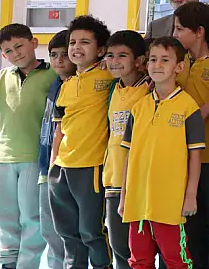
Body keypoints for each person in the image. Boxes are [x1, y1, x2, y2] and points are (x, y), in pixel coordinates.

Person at [0, 23, 56, 269]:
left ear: (34, 43)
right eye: (8, 51)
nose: (15, 53)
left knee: (31, 218)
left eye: (19, 46)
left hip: (34, 157)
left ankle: (27, 265)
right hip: (4, 156)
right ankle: (7, 262)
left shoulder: (52, 74)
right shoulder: (4, 76)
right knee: (4, 216)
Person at [119, 37, 205, 269]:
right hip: (138, 202)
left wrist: (190, 196)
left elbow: (195, 157)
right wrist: (124, 195)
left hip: (170, 203)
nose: (157, 65)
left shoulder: (188, 107)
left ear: (179, 67)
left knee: (177, 260)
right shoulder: (138, 108)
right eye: (153, 59)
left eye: (165, 60)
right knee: (139, 260)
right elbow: (128, 156)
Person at [50, 15, 115, 269]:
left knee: (91, 232)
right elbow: (60, 128)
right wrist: (54, 164)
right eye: (73, 42)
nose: (76, 47)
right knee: (67, 233)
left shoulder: (109, 74)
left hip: (91, 166)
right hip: (62, 168)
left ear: (100, 50)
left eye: (85, 42)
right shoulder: (66, 85)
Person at [173, 1, 209, 269]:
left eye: (179, 29)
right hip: (183, 158)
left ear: (199, 31)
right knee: (189, 225)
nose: (175, 35)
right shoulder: (176, 65)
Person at [104, 30, 150, 269]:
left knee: (142, 251)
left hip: (141, 182)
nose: (115, 61)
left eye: (122, 55)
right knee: (119, 247)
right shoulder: (113, 88)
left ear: (139, 60)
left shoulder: (150, 89)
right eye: (110, 55)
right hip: (113, 179)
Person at [39, 30, 75, 269]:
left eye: (65, 54)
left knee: (69, 231)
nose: (59, 60)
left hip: (70, 166)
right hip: (47, 165)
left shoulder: (80, 85)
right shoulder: (54, 84)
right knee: (49, 229)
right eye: (54, 55)